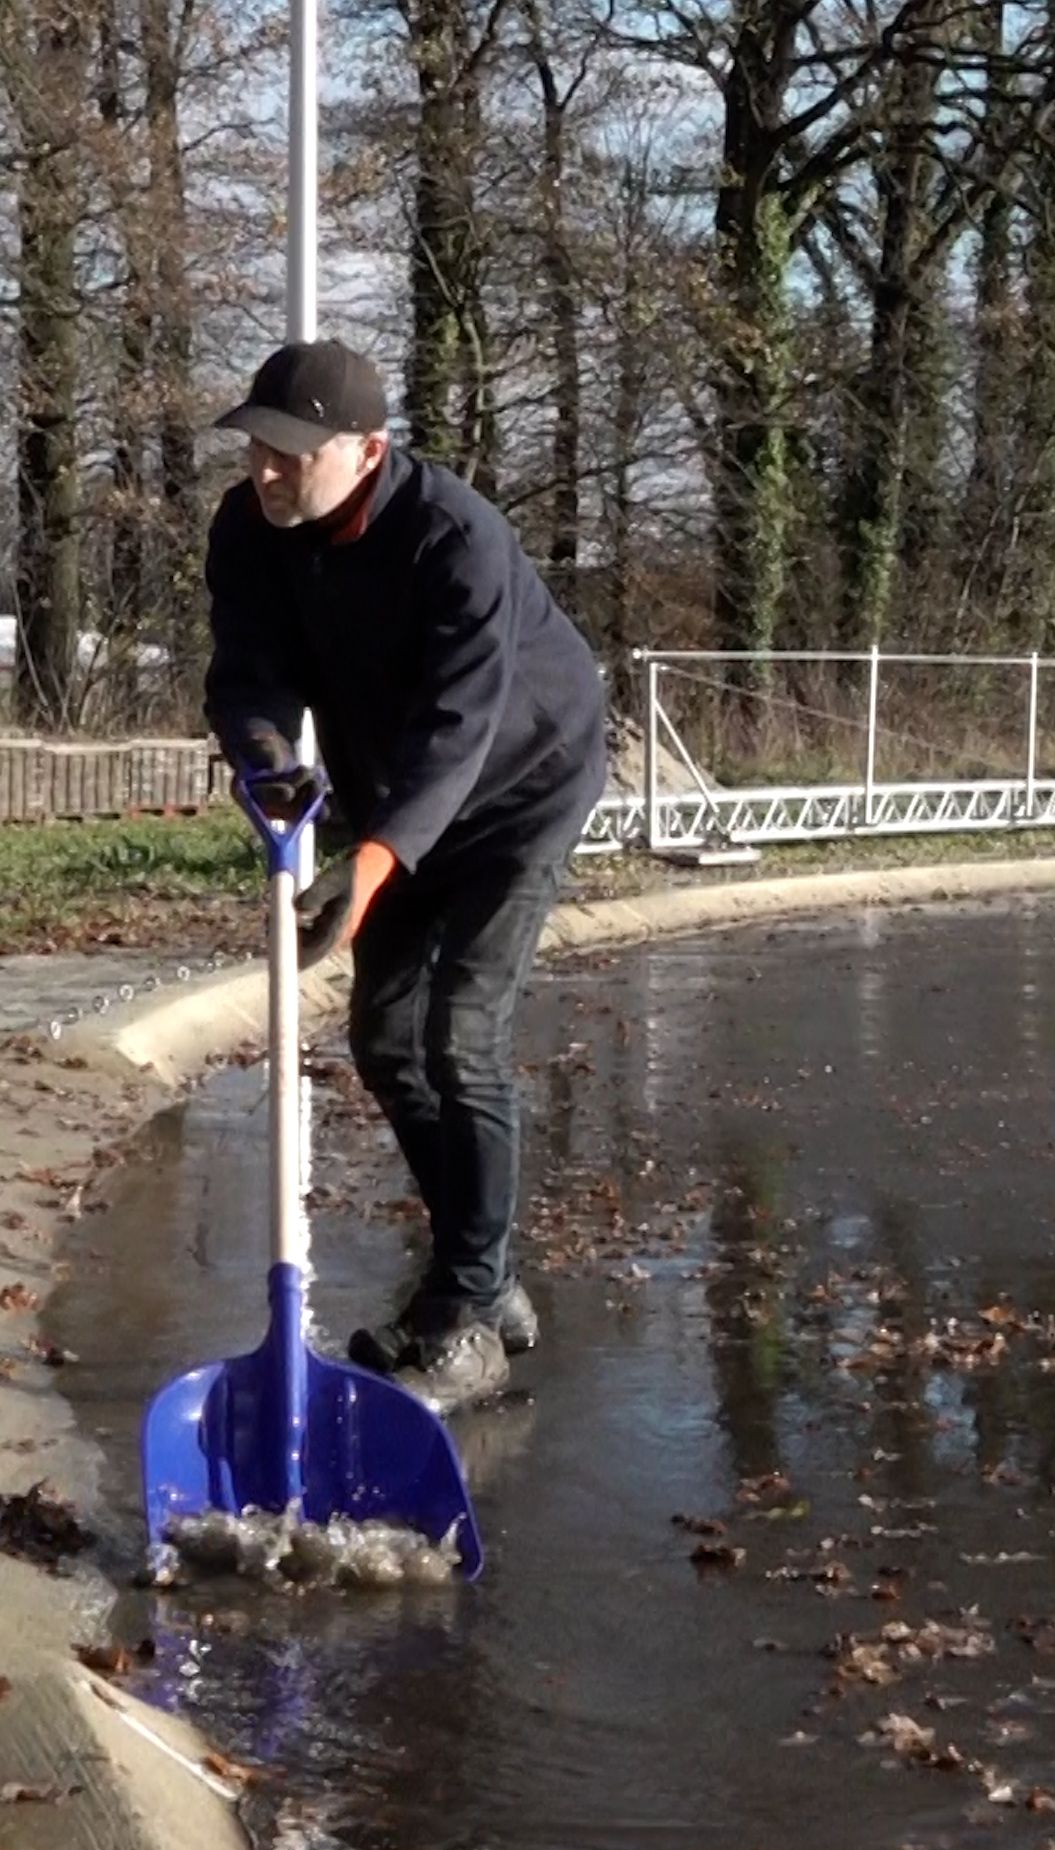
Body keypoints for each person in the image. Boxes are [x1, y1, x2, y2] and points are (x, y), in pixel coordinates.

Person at [204, 337, 606, 1413]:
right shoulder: (251, 530)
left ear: (368, 449)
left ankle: (466, 1310)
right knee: (384, 1040)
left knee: (461, 1033)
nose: (267, 472)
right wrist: (272, 765)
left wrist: (371, 866)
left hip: (523, 786)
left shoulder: (455, 538)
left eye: (292, 454)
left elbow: (458, 733)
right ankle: (489, 1276)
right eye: (256, 450)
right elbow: (245, 673)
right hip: (393, 792)